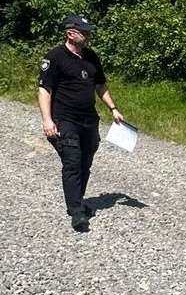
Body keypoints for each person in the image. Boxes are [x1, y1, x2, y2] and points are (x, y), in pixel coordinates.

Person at [38, 14, 124, 232]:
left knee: (86, 161)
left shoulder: (91, 57)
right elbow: (44, 90)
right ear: (70, 33)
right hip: (65, 118)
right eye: (84, 32)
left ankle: (77, 199)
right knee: (72, 161)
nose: (88, 35)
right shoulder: (55, 57)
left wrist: (113, 109)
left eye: (88, 32)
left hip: (89, 120)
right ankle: (76, 212)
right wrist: (47, 120)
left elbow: (100, 86)